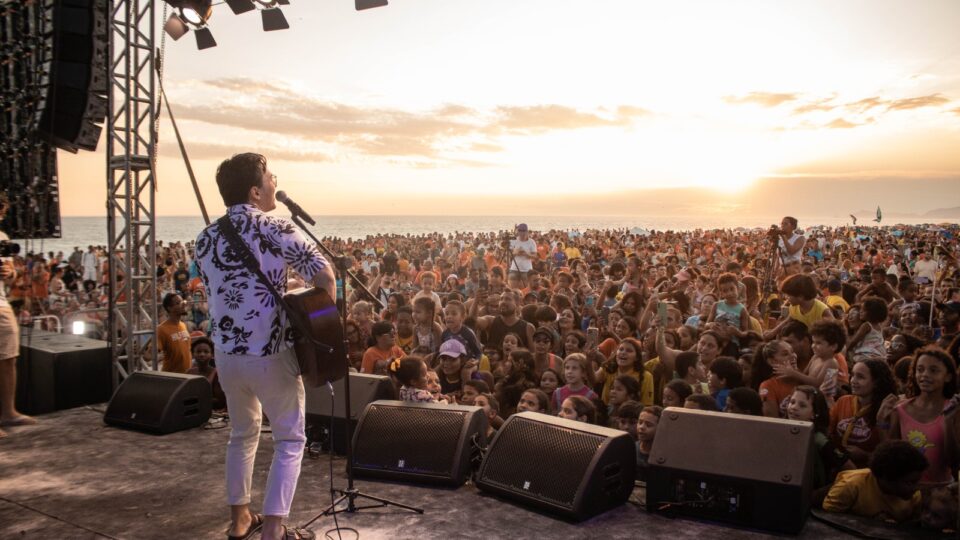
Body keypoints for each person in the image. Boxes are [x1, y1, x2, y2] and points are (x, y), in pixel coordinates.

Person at [195, 153, 332, 540]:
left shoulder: (205, 237)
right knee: (290, 438)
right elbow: (324, 275)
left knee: (241, 434)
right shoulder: (274, 225)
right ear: (256, 191)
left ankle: (240, 520)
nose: (276, 182)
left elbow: (232, 290)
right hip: (269, 352)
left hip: (227, 355)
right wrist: (321, 332)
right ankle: (274, 529)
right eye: (271, 177)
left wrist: (281, 289)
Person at [0, 194, 37, 439]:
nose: (1, 216)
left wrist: (10, 272)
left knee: (8, 356)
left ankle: (8, 412)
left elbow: (10, 276)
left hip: (1, 302)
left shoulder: (2, 239)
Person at [822, 440, 926, 523]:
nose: (916, 487)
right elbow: (825, 521)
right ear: (885, 478)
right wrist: (870, 524)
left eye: (917, 481)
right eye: (910, 483)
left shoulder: (914, 496)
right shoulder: (851, 485)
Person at [156, 293, 192, 373]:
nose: (183, 304)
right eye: (178, 303)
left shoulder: (183, 325)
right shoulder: (161, 329)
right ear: (169, 308)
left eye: (182, 301)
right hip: (172, 377)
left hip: (187, 375)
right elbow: (150, 354)